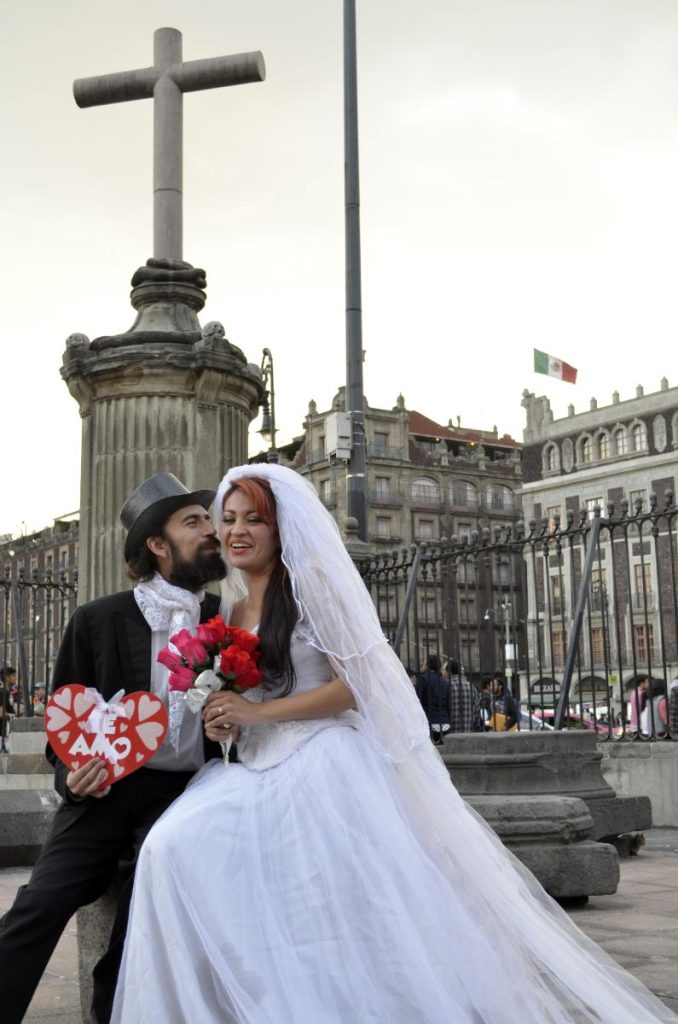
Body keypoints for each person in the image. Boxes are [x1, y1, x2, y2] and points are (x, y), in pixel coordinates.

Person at [112, 464, 677, 1024]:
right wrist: (230, 720)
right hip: (258, 764)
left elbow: (357, 687)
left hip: (321, 759)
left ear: (280, 527)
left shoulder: (312, 586)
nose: (235, 531)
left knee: (314, 906)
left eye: (253, 520)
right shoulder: (232, 607)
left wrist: (259, 710)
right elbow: (251, 697)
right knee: (170, 847)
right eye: (227, 519)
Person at [0, 473, 227, 1024]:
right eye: (193, 522)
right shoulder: (97, 619)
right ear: (157, 543)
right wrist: (73, 773)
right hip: (104, 791)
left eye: (208, 520)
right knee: (42, 901)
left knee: (146, 903)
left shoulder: (226, 620)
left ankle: (111, 1011)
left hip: (188, 794)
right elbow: (64, 725)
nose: (211, 531)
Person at [415, 652, 450, 744]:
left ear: (427, 664)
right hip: (445, 723)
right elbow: (448, 704)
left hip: (429, 722)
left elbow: (417, 700)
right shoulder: (445, 682)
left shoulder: (423, 679)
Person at [445, 658, 483, 733]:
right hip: (468, 732)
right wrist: (477, 727)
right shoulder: (471, 687)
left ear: (448, 672)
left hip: (450, 733)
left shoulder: (446, 686)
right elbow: (477, 710)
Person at [0, 666, 16, 752]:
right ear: (7, 677)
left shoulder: (7, 692)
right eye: (13, 675)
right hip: (2, 734)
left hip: (6, 732)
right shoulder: (2, 692)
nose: (15, 678)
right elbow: (1, 713)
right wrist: (13, 716)